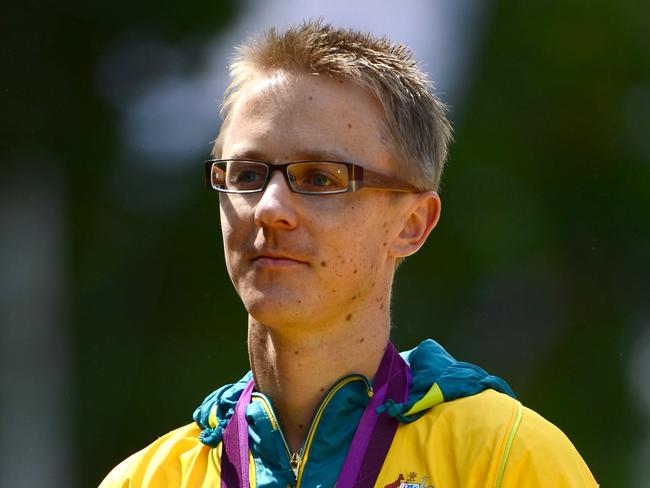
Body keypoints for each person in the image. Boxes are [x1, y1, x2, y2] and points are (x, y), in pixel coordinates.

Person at [100, 20, 598, 488]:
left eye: (320, 179)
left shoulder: (504, 460)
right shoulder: (145, 479)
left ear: (411, 224)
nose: (269, 209)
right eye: (247, 175)